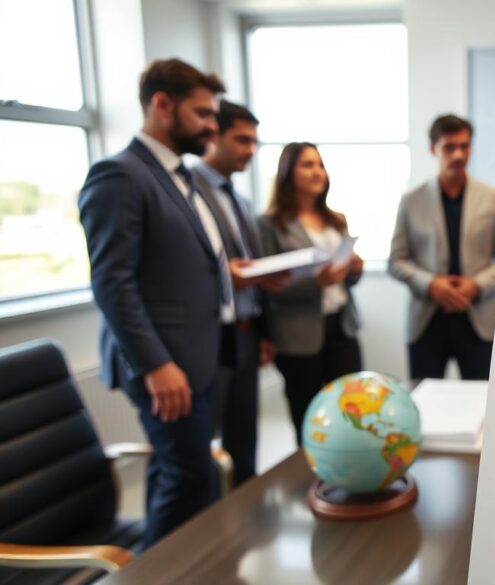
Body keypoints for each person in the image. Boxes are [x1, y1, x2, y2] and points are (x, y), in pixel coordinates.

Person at [78, 58, 230, 547]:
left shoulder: (178, 176)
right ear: (162, 105)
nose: (212, 126)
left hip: (196, 356)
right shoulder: (120, 175)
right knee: (190, 479)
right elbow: (111, 282)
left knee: (181, 475)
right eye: (203, 114)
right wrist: (156, 365)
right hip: (164, 366)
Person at [191, 100, 288, 486]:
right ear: (214, 137)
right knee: (202, 447)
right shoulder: (189, 191)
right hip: (211, 336)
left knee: (244, 435)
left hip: (247, 331)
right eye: (241, 140)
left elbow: (250, 265)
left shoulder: (242, 201)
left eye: (254, 142)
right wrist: (229, 277)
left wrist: (264, 330)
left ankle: (246, 524)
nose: (250, 150)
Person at [389, 114, 495, 380]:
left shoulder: (493, 198)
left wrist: (477, 284)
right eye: (449, 147)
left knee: (484, 403)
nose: (458, 154)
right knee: (424, 402)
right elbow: (396, 261)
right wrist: (431, 284)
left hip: (479, 318)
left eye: (464, 146)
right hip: (427, 318)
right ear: (433, 148)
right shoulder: (411, 200)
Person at [258, 142, 364, 442]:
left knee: (350, 410)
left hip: (342, 326)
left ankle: (351, 473)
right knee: (309, 416)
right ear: (287, 173)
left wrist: (354, 270)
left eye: (319, 164)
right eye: (307, 165)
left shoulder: (336, 219)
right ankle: (311, 479)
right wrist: (316, 282)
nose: (317, 171)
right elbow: (268, 286)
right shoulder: (270, 224)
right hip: (298, 334)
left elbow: (345, 282)